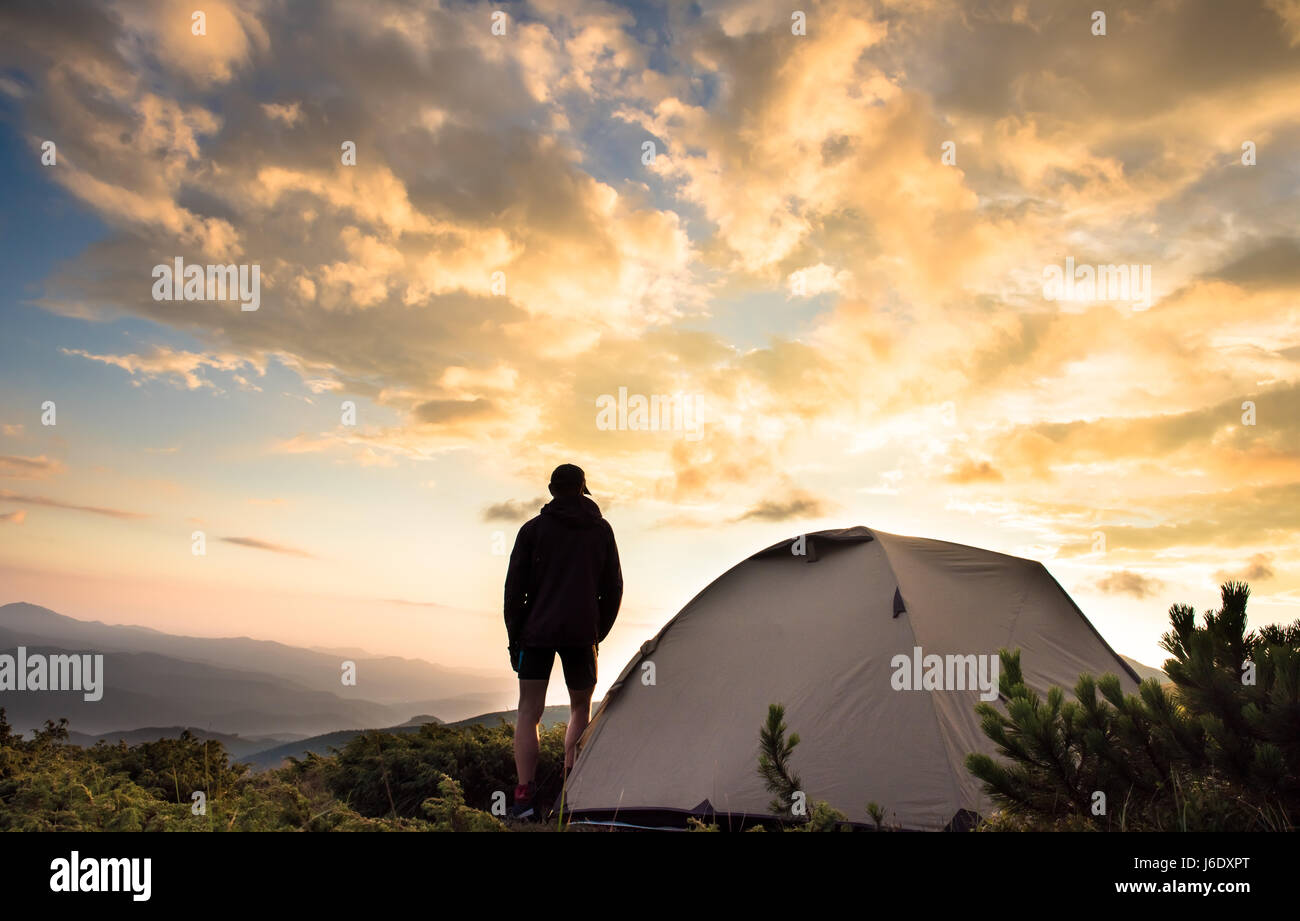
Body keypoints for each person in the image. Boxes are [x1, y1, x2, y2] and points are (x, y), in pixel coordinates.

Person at [503, 463, 622, 820]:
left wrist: (515, 640)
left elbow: (514, 591)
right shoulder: (601, 531)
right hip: (581, 633)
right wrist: (597, 632)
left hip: (536, 634)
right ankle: (571, 794)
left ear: (552, 490)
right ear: (583, 490)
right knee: (579, 710)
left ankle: (524, 800)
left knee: (528, 712)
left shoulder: (533, 530)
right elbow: (613, 588)